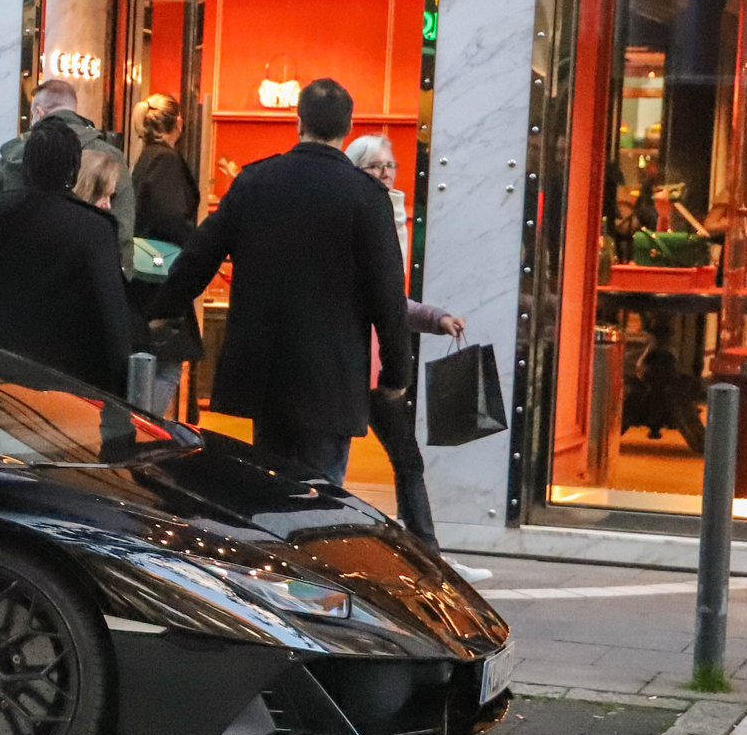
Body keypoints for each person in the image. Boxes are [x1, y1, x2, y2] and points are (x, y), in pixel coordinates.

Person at [145, 78, 408, 485]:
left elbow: (199, 254)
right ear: (348, 128)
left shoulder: (255, 182)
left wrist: (164, 312)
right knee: (320, 504)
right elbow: (387, 295)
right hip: (332, 377)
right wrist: (395, 375)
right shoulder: (366, 197)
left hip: (265, 373)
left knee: (267, 492)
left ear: (298, 121)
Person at [346, 135, 491, 578]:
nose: (386, 174)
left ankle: (429, 558)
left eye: (390, 166)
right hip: (353, 364)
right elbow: (380, 300)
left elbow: (393, 301)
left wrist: (437, 318)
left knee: (407, 460)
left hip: (380, 368)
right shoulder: (359, 220)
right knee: (328, 468)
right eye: (375, 167)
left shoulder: (394, 219)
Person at [0, 116, 130, 393]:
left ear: (27, 166)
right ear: (73, 168)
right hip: (63, 382)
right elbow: (110, 320)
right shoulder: (94, 228)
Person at [0, 78, 136, 281]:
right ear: (74, 108)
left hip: (19, 278)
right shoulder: (110, 156)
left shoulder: (13, 154)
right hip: (85, 278)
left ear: (38, 113)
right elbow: (122, 229)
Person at [126, 93, 199, 415]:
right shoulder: (167, 161)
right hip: (161, 275)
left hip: (143, 273)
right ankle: (146, 432)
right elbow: (172, 220)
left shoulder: (144, 159)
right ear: (178, 123)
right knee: (167, 366)